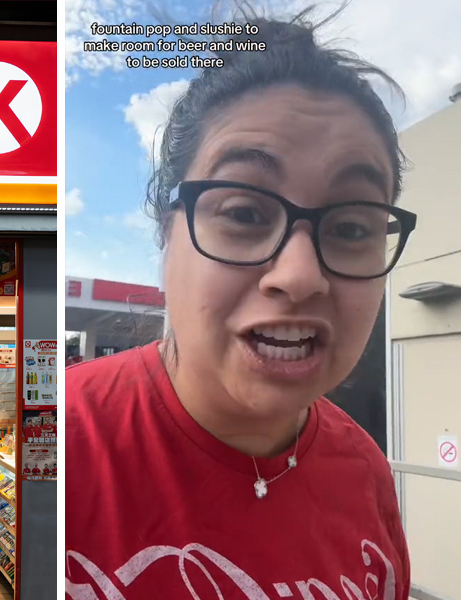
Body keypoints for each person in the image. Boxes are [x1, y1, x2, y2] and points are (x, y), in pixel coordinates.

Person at [65, 6, 415, 598]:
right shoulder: (61, 446)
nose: (300, 276)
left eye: (352, 227)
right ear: (164, 233)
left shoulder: (367, 471)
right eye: (245, 213)